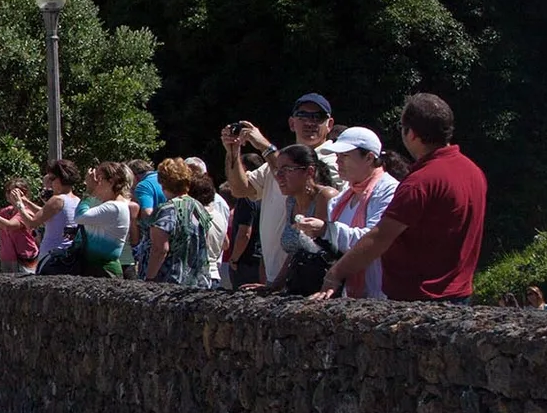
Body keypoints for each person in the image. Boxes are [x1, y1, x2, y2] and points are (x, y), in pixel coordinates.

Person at [315, 93, 486, 303]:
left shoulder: (420, 181)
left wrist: (335, 273)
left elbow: (379, 238)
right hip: (460, 292)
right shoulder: (474, 171)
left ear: (411, 134)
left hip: (420, 297)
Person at [226, 125, 336, 291]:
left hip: (323, 292)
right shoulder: (291, 202)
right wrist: (273, 285)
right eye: (279, 170)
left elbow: (328, 252)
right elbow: (295, 253)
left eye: (287, 170)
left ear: (310, 172)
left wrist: (264, 146)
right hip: (296, 287)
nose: (278, 176)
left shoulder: (326, 196)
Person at [316, 127, 399, 298]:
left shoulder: (389, 190)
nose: (338, 162)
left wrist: (326, 229)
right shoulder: (345, 195)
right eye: (337, 156)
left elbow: (372, 240)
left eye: (344, 156)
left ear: (369, 158)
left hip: (380, 294)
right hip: (347, 293)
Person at [143, 157, 219, 287]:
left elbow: (160, 249)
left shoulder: (167, 209)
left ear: (163, 182)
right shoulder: (199, 207)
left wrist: (149, 280)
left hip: (169, 284)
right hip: (197, 283)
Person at [74, 160, 136, 277]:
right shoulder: (109, 204)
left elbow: (79, 217)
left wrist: (89, 191)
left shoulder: (115, 207)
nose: (96, 182)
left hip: (104, 270)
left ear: (111, 181)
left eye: (99, 178)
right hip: (97, 268)